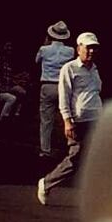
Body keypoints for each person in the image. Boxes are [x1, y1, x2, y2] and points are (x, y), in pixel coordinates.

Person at [37, 32, 102, 206]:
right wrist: (67, 120)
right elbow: (64, 97)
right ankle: (46, 183)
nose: (91, 52)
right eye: (88, 48)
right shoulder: (70, 68)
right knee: (76, 157)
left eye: (94, 48)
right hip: (78, 121)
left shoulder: (94, 69)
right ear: (78, 48)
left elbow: (95, 93)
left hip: (95, 119)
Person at [34, 21, 76, 158]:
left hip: (47, 85)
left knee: (46, 119)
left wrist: (45, 44)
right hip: (63, 86)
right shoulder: (70, 51)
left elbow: (36, 61)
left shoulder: (43, 49)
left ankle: (45, 149)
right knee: (68, 117)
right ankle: (71, 146)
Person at [0, 42, 26, 121]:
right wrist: (0, 87)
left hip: (7, 87)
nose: (9, 49)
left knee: (22, 92)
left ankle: (16, 114)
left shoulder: (7, 61)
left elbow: (9, 78)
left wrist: (16, 82)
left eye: (10, 46)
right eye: (7, 46)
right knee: (12, 98)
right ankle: (3, 118)